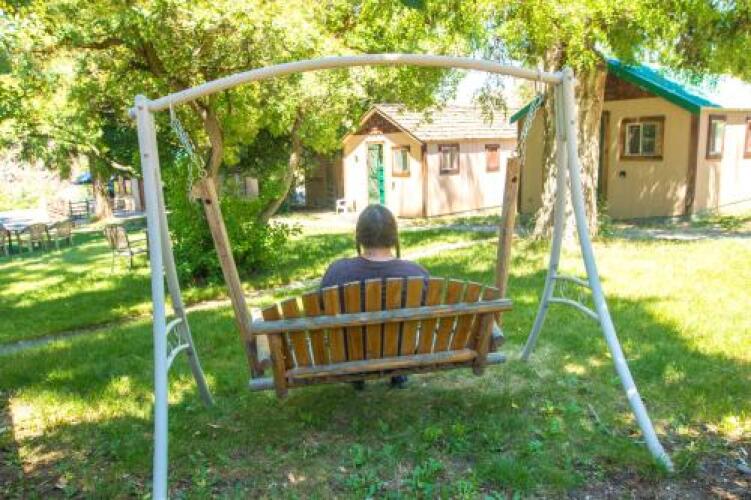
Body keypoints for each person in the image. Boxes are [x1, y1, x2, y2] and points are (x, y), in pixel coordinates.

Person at [320, 204, 428, 390]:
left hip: (352, 353)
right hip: (399, 351)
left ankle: (358, 374)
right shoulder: (417, 273)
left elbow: (322, 307)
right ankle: (397, 372)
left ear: (360, 236)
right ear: (393, 236)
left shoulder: (338, 271)